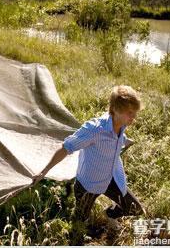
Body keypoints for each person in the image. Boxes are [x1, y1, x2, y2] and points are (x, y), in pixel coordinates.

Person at [32, 85, 146, 242]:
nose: (133, 118)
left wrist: (125, 141)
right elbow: (66, 147)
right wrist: (43, 172)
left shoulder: (122, 125)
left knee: (136, 209)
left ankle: (110, 215)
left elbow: (115, 139)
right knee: (79, 225)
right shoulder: (95, 129)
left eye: (135, 113)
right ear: (115, 109)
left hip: (111, 179)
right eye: (130, 113)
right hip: (88, 185)